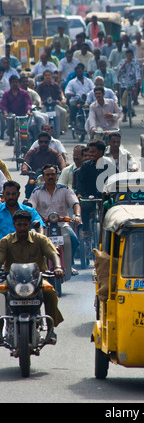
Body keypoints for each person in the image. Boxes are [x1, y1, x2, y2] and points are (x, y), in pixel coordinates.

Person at [0, 210, 64, 343]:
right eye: (19, 225)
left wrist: (57, 267)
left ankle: (51, 329)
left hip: (37, 279)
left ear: (29, 225)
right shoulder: (6, 241)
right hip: (11, 281)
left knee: (50, 293)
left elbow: (53, 254)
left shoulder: (40, 239)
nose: (22, 228)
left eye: (25, 225)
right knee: (0, 294)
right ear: (14, 225)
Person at [29, 164, 81, 274]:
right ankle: (37, 266)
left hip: (62, 225)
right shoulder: (36, 192)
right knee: (34, 243)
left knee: (74, 240)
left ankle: (69, 264)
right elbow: (31, 208)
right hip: (43, 226)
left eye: (53, 174)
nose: (50, 176)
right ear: (43, 177)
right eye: (47, 174)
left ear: (57, 176)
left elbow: (75, 203)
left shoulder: (65, 189)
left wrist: (77, 215)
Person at [76, 139, 115, 234]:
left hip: (105, 197)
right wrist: (80, 194)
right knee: (85, 208)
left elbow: (115, 182)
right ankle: (85, 230)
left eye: (93, 152)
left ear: (101, 152)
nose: (91, 154)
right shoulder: (85, 166)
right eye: (90, 152)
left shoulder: (110, 165)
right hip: (89, 197)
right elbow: (81, 183)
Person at [21, 131, 66, 198]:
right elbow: (26, 163)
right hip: (35, 178)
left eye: (45, 142)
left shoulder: (54, 153)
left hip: (51, 178)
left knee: (62, 188)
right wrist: (25, 169)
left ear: (49, 142)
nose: (43, 144)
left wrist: (63, 169)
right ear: (38, 142)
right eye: (41, 142)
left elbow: (61, 162)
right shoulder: (32, 152)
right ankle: (28, 203)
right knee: (29, 186)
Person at [0, 75, 33, 145]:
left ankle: (24, 141)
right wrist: (5, 113)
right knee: (11, 121)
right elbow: (3, 105)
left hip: (23, 113)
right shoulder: (6, 94)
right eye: (13, 82)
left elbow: (28, 103)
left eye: (16, 82)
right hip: (11, 113)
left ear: (19, 83)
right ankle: (11, 139)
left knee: (24, 126)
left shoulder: (24, 93)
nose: (15, 84)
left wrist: (28, 111)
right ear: (10, 83)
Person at [36, 70, 68, 136]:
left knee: (63, 112)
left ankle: (61, 129)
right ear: (43, 77)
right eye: (46, 75)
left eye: (49, 75)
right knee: (41, 115)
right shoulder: (40, 85)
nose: (48, 77)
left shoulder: (55, 85)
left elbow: (61, 93)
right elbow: (37, 95)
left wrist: (63, 99)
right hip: (44, 105)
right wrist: (39, 101)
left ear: (51, 76)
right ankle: (41, 130)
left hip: (54, 104)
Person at [117, 49, 141, 121]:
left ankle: (133, 104)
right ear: (126, 55)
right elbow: (119, 71)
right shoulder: (122, 62)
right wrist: (124, 64)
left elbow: (137, 71)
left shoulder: (135, 63)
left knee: (133, 94)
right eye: (128, 55)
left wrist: (138, 80)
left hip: (132, 82)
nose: (129, 57)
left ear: (132, 55)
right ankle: (124, 114)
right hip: (123, 82)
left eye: (130, 55)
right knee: (122, 97)